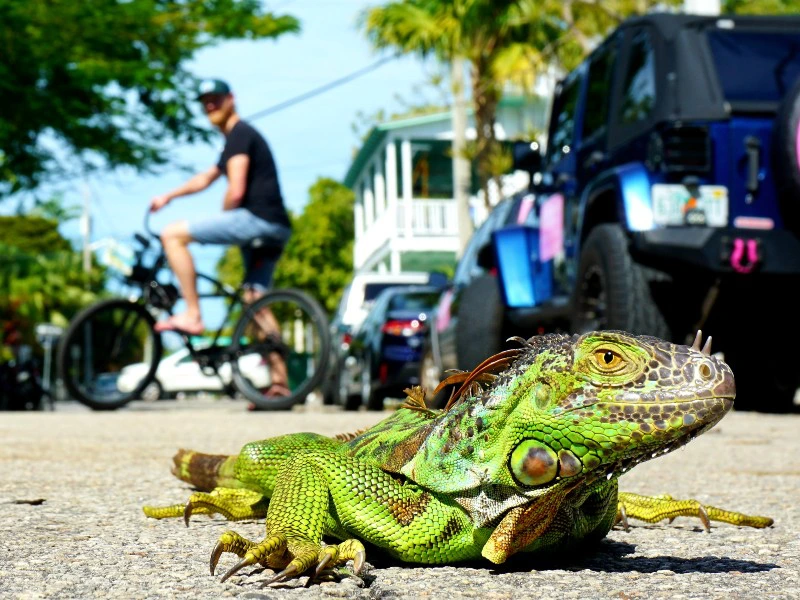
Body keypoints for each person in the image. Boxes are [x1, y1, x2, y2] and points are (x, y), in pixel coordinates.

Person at [149, 78, 292, 397]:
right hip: (276, 227)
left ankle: (193, 314)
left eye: (215, 98)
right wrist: (168, 196)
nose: (209, 105)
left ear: (231, 99)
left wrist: (225, 218)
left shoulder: (241, 134)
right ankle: (280, 383)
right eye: (205, 101)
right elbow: (206, 178)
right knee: (256, 299)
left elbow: (236, 188)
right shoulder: (234, 140)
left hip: (257, 221)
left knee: (172, 235)